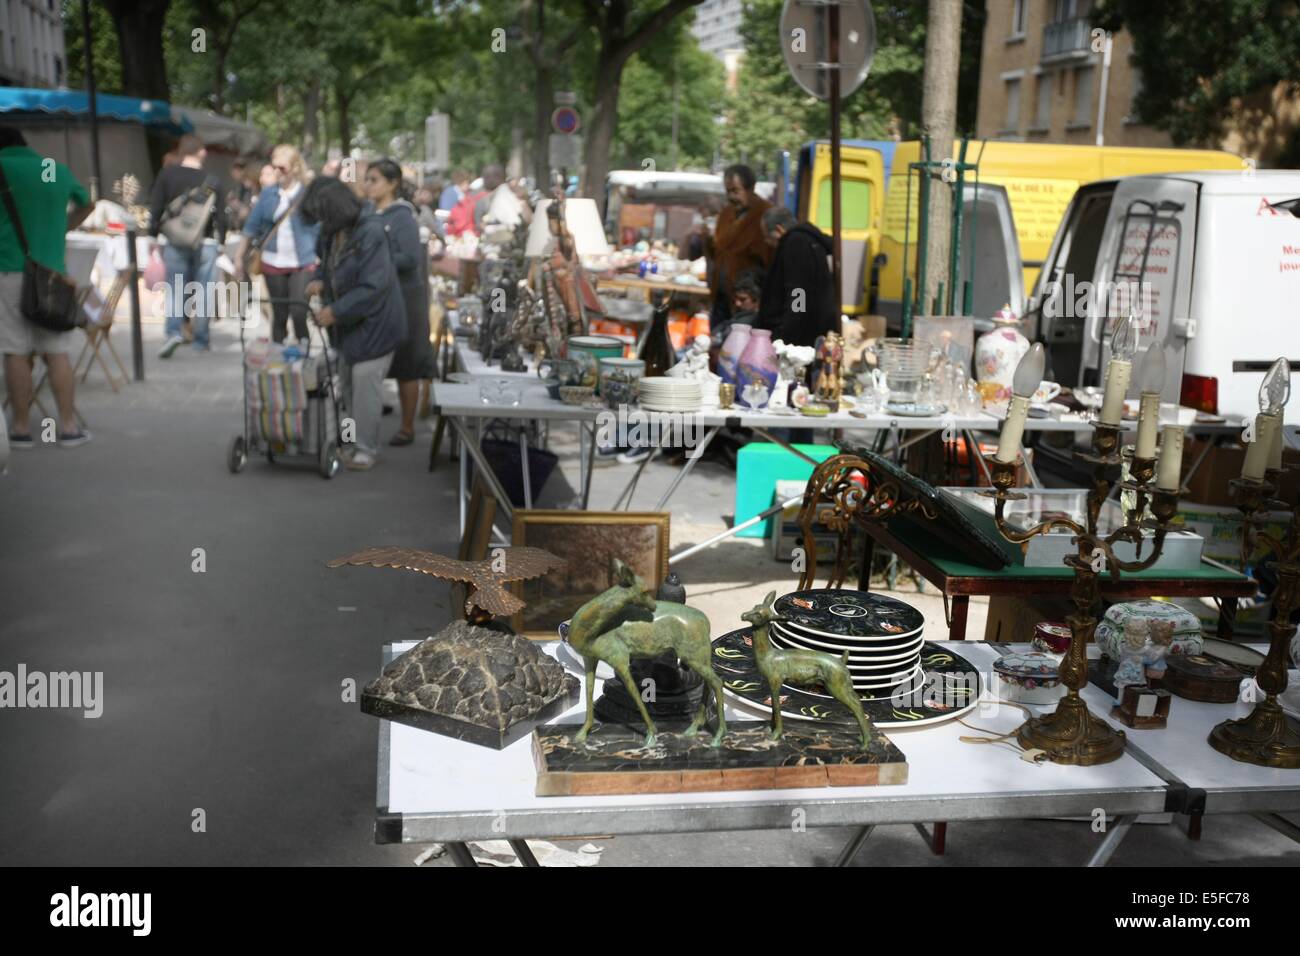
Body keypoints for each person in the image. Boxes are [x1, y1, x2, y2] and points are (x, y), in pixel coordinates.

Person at [301, 176, 405, 470]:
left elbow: (374, 287)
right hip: (350, 323)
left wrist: (335, 311)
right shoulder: (332, 230)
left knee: (363, 385)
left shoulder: (371, 231)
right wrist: (318, 280)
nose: (320, 220)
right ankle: (349, 442)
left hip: (375, 323)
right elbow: (325, 265)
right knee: (346, 385)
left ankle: (365, 449)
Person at [0, 124, 94, 448]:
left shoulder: (2, 167)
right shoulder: (49, 168)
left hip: (9, 271)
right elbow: (86, 202)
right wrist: (62, 228)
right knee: (57, 352)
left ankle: (22, 429)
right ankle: (67, 427)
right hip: (52, 275)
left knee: (15, 350)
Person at [363, 159, 434, 446]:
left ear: (392, 184)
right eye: (367, 179)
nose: (368, 185)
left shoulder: (402, 216)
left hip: (405, 298)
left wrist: (376, 262)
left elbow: (410, 259)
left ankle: (407, 426)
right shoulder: (368, 212)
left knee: (407, 362)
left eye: (374, 180)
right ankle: (367, 420)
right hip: (378, 297)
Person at [150, 133, 227, 357]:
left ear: (181, 151)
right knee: (203, 291)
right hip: (206, 241)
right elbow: (221, 216)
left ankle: (174, 332)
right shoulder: (213, 180)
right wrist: (221, 242)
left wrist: (152, 236)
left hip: (175, 239)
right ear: (201, 152)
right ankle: (201, 340)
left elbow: (155, 207)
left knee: (175, 288)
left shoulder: (167, 175)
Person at [236, 144, 319, 344]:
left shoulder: (308, 193)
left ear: (295, 168)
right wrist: (239, 257)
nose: (277, 172)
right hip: (273, 260)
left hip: (303, 260)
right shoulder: (269, 193)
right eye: (274, 167)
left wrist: (320, 254)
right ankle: (279, 362)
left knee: (299, 312)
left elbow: (320, 226)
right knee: (279, 315)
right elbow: (251, 227)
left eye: (282, 168)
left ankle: (304, 357)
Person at [756, 206, 837, 348]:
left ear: (779, 229)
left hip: (799, 337)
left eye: (767, 237)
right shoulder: (810, 240)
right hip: (813, 326)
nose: (768, 243)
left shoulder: (795, 243)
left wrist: (788, 335)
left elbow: (798, 291)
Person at [705, 163, 772, 332]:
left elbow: (768, 260)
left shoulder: (766, 214)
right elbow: (718, 249)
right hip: (721, 297)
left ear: (750, 189)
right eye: (728, 191)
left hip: (746, 302)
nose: (731, 196)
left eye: (735, 191)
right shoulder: (726, 213)